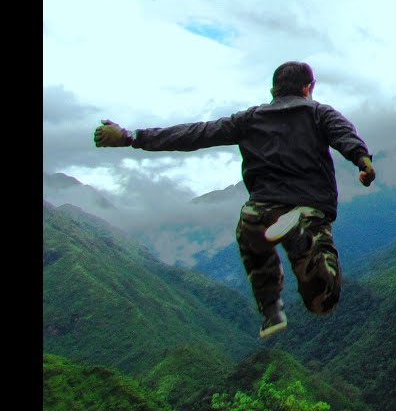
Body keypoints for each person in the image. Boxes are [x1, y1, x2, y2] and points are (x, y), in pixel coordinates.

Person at [93, 61, 375, 338]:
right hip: (308, 209)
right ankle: (301, 240)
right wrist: (362, 161)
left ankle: (271, 311)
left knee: (254, 245)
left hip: (259, 211)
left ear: (273, 90)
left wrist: (131, 137)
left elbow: (194, 134)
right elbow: (344, 134)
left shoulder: (250, 119)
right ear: (308, 87)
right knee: (323, 302)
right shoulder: (319, 113)